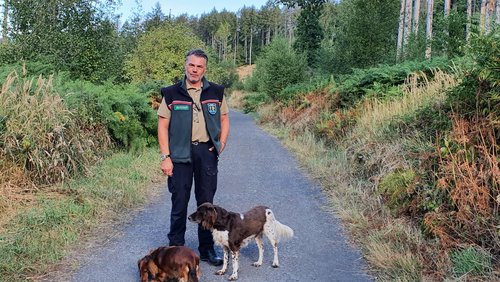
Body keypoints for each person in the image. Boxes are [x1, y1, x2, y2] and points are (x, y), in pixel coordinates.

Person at [157, 49, 230, 266]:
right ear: (185, 66)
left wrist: (221, 144)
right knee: (179, 201)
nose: (195, 69)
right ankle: (175, 249)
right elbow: (162, 125)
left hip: (206, 153)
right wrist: (165, 156)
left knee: (207, 204)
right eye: (191, 65)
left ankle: (207, 249)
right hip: (179, 154)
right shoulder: (171, 93)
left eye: (199, 66)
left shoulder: (216, 91)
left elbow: (225, 119)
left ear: (205, 69)